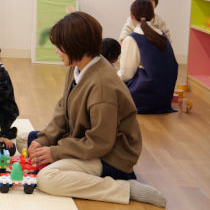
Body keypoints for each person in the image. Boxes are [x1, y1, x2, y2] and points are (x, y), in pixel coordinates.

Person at [17, 11, 166, 208]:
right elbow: (63, 108)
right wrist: (44, 140)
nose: (57, 52)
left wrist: (56, 152)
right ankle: (58, 160)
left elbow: (100, 143)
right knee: (23, 140)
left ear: (75, 46)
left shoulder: (102, 85)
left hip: (110, 156)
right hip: (81, 141)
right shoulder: (77, 65)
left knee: (47, 179)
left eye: (60, 47)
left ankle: (125, 188)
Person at [118, 0, 178, 114]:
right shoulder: (163, 36)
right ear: (153, 15)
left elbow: (126, 74)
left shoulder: (132, 38)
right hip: (164, 99)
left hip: (142, 100)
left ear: (131, 15)